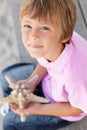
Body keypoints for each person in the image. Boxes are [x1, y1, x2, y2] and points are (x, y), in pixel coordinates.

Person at [0, 0, 87, 130]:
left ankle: (16, 108)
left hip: (61, 105)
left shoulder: (75, 78)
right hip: (49, 80)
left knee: (9, 122)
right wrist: (31, 82)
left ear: (65, 36)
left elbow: (78, 108)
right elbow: (44, 61)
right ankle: (15, 101)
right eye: (27, 26)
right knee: (4, 76)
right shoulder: (49, 44)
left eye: (44, 28)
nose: (33, 36)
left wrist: (38, 108)